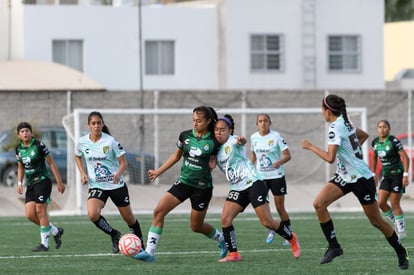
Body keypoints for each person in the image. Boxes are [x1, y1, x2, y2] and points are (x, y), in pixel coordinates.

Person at [301, 94, 409, 270]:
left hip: (360, 178)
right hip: (345, 176)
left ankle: (401, 252)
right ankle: (334, 247)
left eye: (322, 109)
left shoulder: (335, 128)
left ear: (327, 111)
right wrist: (350, 153)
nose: (322, 112)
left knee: (376, 221)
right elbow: (364, 135)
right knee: (319, 204)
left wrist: (310, 146)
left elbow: (330, 158)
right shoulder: (347, 123)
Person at [134, 106, 226, 262]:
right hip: (183, 183)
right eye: (193, 120)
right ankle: (149, 252)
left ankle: (222, 239)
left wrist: (215, 164)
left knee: (196, 226)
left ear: (208, 121)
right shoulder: (185, 136)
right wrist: (158, 171)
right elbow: (176, 156)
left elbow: (222, 159)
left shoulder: (215, 142)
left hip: (202, 188)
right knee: (158, 211)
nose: (195, 123)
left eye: (199, 121)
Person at [214, 114, 301, 262]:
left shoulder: (233, 141)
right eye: (216, 129)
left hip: (254, 183)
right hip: (237, 187)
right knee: (225, 219)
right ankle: (234, 254)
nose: (219, 132)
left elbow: (242, 141)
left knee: (267, 222)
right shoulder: (214, 148)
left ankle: (292, 237)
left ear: (230, 131)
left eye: (223, 130)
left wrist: (242, 140)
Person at [74, 111, 145, 254]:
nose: (96, 126)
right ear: (89, 125)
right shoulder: (82, 142)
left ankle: (140, 244)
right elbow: (77, 156)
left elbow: (123, 162)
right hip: (97, 185)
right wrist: (82, 173)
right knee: (93, 214)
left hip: (116, 185)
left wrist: (118, 174)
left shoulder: (110, 141)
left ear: (102, 124)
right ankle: (114, 235)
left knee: (129, 219)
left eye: (99, 123)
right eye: (93, 123)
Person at [15, 122, 65, 252]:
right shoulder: (18, 149)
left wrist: (59, 182)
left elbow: (52, 163)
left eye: (27, 131)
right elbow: (20, 166)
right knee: (30, 215)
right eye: (22, 131)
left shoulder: (39, 146)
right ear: (18, 135)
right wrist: (19, 183)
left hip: (43, 181)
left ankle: (44, 244)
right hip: (31, 184)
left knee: (40, 212)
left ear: (31, 133)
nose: (25, 133)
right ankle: (55, 231)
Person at [250, 113, 294, 245]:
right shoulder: (253, 137)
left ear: (270, 123)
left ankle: (288, 233)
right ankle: (271, 230)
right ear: (257, 124)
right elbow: (254, 156)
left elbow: (288, 156)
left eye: (265, 121)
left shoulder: (276, 137)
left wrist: (279, 162)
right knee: (265, 208)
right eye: (260, 121)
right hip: (261, 178)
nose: (263, 123)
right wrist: (250, 169)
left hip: (276, 177)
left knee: (280, 207)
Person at [370, 119, 409, 239]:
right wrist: (373, 174)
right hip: (386, 176)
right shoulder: (375, 143)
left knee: (394, 203)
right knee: (381, 203)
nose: (382, 129)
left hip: (397, 174)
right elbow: (374, 158)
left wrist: (405, 175)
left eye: (384, 127)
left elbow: (405, 158)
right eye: (380, 127)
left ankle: (401, 231)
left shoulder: (393, 141)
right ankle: (396, 223)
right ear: (377, 129)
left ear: (389, 129)